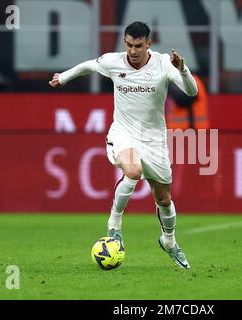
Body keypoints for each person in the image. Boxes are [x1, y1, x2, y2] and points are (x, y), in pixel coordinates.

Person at [49, 21, 197, 269]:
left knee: (164, 199)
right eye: (129, 45)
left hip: (153, 139)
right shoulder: (113, 61)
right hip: (123, 133)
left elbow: (191, 91)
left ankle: (169, 242)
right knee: (133, 171)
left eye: (138, 45)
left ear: (149, 44)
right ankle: (114, 227)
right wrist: (63, 77)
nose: (133, 51)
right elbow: (90, 65)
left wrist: (183, 70)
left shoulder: (162, 64)